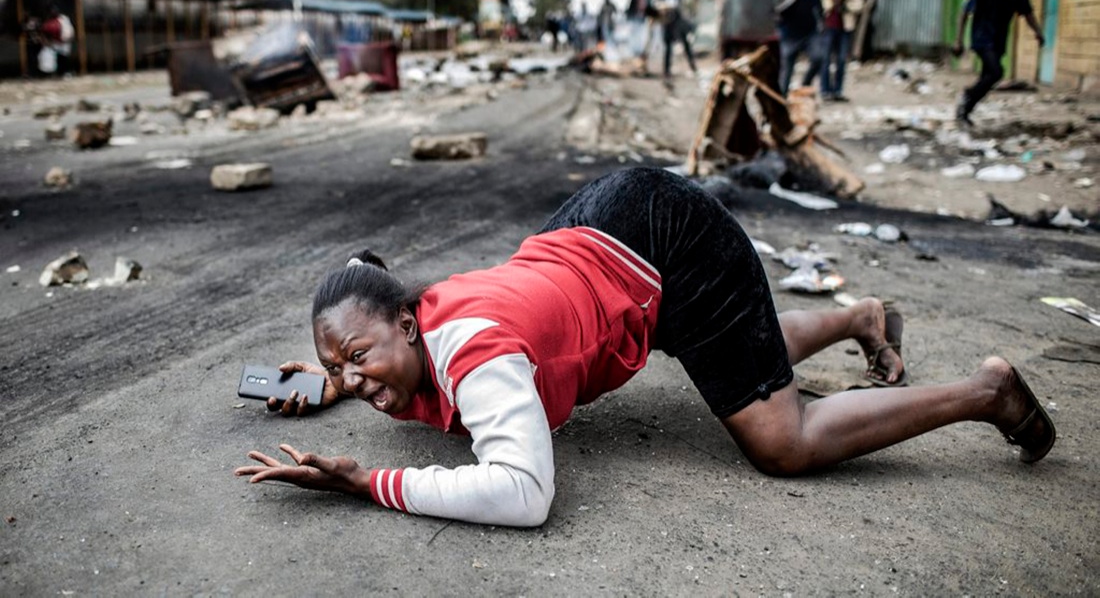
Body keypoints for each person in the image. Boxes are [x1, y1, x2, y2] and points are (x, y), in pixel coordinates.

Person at [236, 168, 1056, 528]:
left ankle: (987, 391)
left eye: (358, 357)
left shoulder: (478, 358)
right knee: (720, 348)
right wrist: (336, 380)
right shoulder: (411, 315)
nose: (352, 376)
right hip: (594, 236)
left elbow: (523, 492)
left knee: (783, 441)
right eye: (339, 363)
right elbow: (373, 315)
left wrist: (369, 483)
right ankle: (859, 317)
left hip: (665, 238)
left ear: (409, 324)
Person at [952, 0, 1045, 127]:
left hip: (999, 40)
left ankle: (964, 111)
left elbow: (1027, 13)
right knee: (996, 72)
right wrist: (958, 39)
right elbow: (965, 12)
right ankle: (968, 96)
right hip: (982, 37)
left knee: (988, 77)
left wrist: (1038, 32)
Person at [773, 0, 823, 96]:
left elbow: (819, 8)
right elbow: (778, 7)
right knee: (787, 70)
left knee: (818, 58)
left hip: (810, 32)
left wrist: (820, 23)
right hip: (790, 34)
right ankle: (781, 99)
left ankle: (805, 85)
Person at [818, 0, 864, 102]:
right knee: (825, 60)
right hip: (828, 27)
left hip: (845, 27)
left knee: (841, 61)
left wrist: (846, 6)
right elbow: (819, 6)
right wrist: (831, 5)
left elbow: (859, 4)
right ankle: (825, 91)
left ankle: (837, 91)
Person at [657, 0, 697, 78]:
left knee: (684, 46)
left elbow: (673, 6)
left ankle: (692, 67)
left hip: (676, 25)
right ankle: (667, 71)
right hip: (670, 26)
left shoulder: (672, 0)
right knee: (670, 49)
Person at [40, 5, 75, 76]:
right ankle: (52, 73)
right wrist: (46, 41)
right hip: (54, 42)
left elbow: (69, 31)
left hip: (64, 42)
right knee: (51, 58)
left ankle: (65, 72)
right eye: (52, 11)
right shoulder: (48, 21)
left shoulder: (64, 19)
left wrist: (68, 38)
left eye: (54, 11)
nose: (53, 12)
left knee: (64, 58)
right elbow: (44, 32)